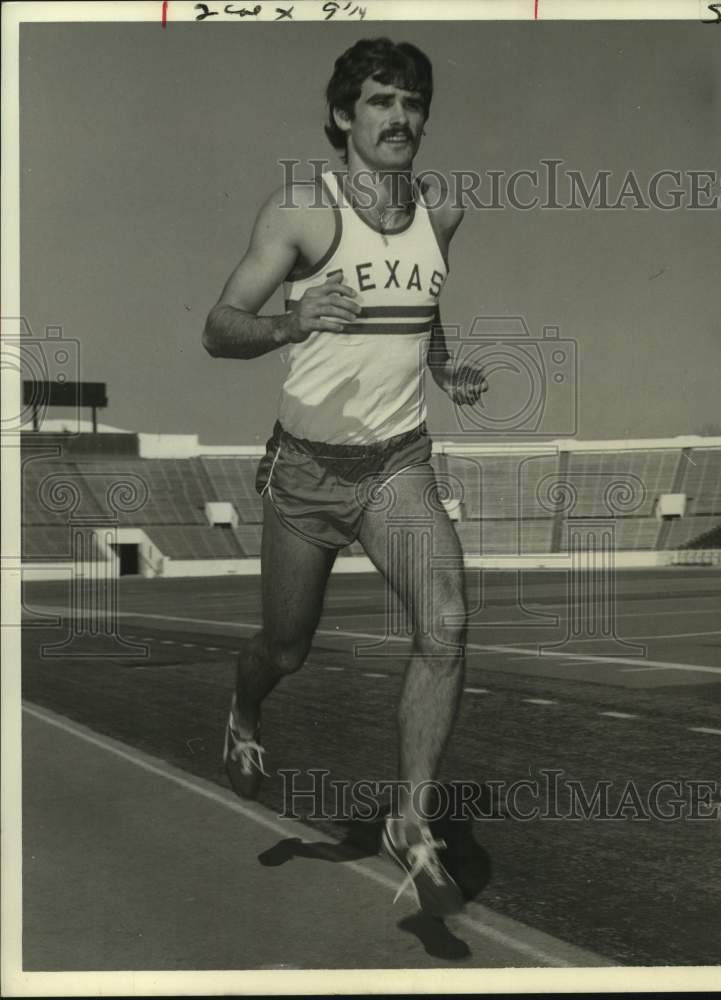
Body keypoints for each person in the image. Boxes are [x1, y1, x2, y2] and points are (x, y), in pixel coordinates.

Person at [202, 37, 487, 917]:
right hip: (307, 474)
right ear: (341, 116)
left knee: (445, 623)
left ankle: (410, 819)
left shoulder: (442, 212)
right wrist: (292, 320)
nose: (397, 117)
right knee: (283, 649)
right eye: (378, 101)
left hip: (395, 466)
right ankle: (245, 715)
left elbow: (423, 301)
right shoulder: (303, 212)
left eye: (410, 102)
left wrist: (442, 366)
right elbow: (218, 327)